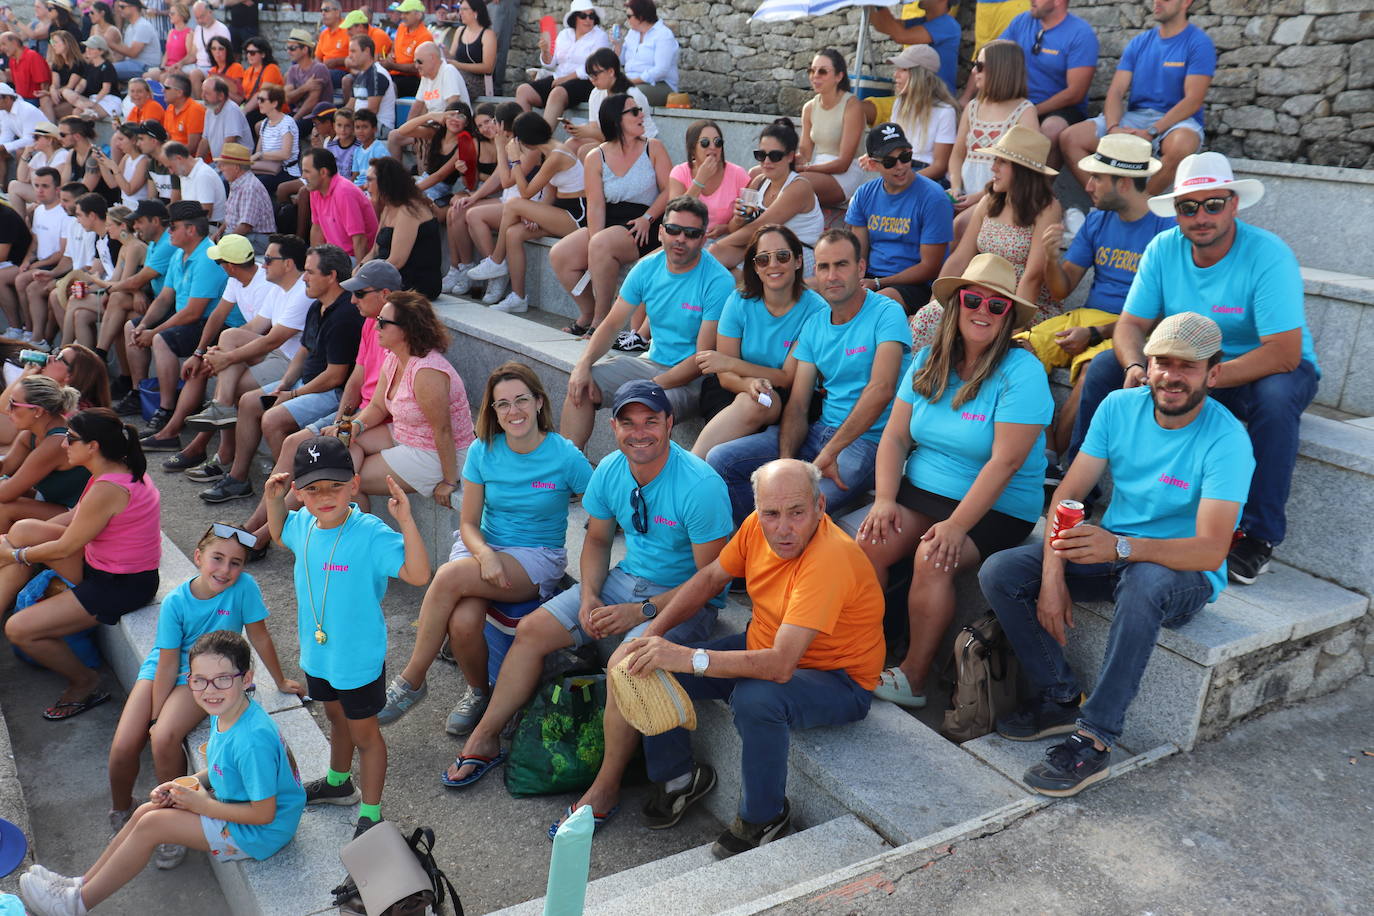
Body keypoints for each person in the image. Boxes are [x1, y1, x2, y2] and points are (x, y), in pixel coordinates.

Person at [980, 312, 1254, 797]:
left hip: (1183, 573)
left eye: (1188, 366)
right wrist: (1051, 576)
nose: (1171, 376)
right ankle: (1059, 696)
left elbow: (1211, 550)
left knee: (1145, 579)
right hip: (1116, 552)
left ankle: (1096, 737)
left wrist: (1123, 546)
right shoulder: (1118, 407)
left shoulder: (1228, 441)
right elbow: (1068, 495)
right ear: (1146, 365)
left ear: (1213, 373)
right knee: (1002, 570)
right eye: (1162, 362)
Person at [559, 459, 883, 851]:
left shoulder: (829, 560)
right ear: (758, 510)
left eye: (797, 512)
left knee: (755, 699)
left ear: (820, 506)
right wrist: (651, 635)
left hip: (837, 678)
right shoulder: (756, 529)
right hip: (760, 642)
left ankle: (763, 816)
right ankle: (678, 778)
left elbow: (781, 665)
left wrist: (690, 657)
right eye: (771, 514)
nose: (783, 527)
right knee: (650, 666)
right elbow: (711, 577)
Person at [441, 379, 731, 790]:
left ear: (669, 423)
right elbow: (596, 540)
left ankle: (605, 788)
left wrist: (641, 611)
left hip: (686, 599)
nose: (640, 432)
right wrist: (590, 595)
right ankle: (485, 738)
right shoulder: (613, 468)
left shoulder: (700, 486)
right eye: (628, 423)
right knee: (533, 631)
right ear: (613, 427)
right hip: (625, 580)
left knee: (625, 666)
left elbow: (709, 579)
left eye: (651, 421)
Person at [1068, 153, 1319, 585]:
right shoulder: (1164, 248)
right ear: (1177, 213)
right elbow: (1130, 325)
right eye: (1189, 206)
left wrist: (1205, 376)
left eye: (1213, 204)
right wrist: (1134, 365)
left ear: (1233, 205)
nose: (1201, 216)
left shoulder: (1268, 255)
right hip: (1190, 363)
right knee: (1107, 364)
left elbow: (1283, 353)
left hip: (1265, 367)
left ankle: (1258, 535)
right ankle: (1076, 501)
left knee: (1276, 400)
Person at [857, 253, 1050, 709]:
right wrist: (884, 499)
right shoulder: (927, 358)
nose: (983, 310)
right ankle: (865, 647)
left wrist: (958, 525)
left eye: (997, 305)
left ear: (1008, 317)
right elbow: (895, 437)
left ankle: (914, 676)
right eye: (973, 299)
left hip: (996, 506)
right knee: (870, 540)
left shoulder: (1022, 372)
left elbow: (1004, 463)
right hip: (923, 488)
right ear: (956, 304)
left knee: (933, 556)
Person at [19, 630, 306, 914]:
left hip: (263, 832)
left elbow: (264, 813)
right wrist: (188, 783)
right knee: (146, 811)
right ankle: (78, 884)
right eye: (199, 681)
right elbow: (222, 770)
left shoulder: (251, 741)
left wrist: (204, 804)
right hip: (240, 808)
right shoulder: (230, 711)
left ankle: (76, 904)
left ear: (246, 678)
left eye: (222, 679)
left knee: (151, 825)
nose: (210, 690)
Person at [377, 363, 592, 732]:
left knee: (446, 577)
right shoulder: (483, 450)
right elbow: (468, 524)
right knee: (462, 623)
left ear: (539, 402)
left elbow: (603, 500)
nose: (514, 411)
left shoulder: (565, 455)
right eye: (503, 404)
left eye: (522, 400)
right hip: (482, 548)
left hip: (534, 556)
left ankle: (412, 680)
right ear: (493, 411)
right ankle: (479, 692)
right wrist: (486, 554)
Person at [106, 525, 301, 867]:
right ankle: (121, 811)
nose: (225, 570)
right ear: (198, 557)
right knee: (123, 746)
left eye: (236, 563)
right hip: (167, 670)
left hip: (206, 677)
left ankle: (172, 819)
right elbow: (166, 663)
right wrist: (155, 712)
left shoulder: (244, 589)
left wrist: (281, 680)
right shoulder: (176, 602)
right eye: (217, 558)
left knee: (164, 737)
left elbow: (260, 636)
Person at [266, 435, 431, 838]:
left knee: (366, 735)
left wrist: (406, 521)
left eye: (335, 487)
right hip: (319, 655)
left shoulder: (370, 533)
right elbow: (277, 533)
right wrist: (273, 500)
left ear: (354, 485)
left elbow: (418, 575)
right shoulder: (302, 523)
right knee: (335, 718)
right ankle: (339, 783)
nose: (325, 497)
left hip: (357, 659)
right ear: (299, 494)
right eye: (313, 489)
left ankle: (371, 813)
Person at [705, 229, 912, 523]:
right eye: (824, 267)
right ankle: (754, 544)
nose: (832, 276)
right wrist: (787, 460)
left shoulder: (886, 313)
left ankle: (763, 546)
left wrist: (830, 451)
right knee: (721, 460)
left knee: (796, 507)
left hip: (866, 444)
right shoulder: (815, 324)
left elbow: (881, 389)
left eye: (841, 265)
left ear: (861, 268)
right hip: (818, 433)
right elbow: (799, 405)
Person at [0, 408, 160, 718]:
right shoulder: (114, 471)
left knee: (19, 630)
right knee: (22, 529)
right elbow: (71, 520)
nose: (63, 445)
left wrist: (15, 554)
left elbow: (65, 547)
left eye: (70, 440)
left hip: (120, 585)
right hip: (105, 566)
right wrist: (12, 541)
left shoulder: (107, 488)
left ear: (93, 446)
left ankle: (86, 682)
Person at [1029, 135, 1175, 454]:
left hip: (1134, 328)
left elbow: (1162, 315)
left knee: (1093, 373)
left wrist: (1095, 333)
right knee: (1020, 347)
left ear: (1123, 183)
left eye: (1097, 177)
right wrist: (1050, 260)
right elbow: (1061, 289)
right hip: (1086, 317)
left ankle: (1055, 457)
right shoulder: (1097, 218)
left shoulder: (1167, 229)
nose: (1089, 185)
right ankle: (1042, 444)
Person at [562, 196, 734, 448]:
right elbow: (611, 325)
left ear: (703, 239)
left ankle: (644, 484)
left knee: (645, 406)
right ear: (661, 232)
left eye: (691, 233)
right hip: (651, 363)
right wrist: (583, 365)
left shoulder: (718, 280)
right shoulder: (646, 268)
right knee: (581, 386)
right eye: (674, 230)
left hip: (693, 380)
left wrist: (651, 386)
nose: (681, 239)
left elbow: (702, 358)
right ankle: (569, 473)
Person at [197, 244, 362, 505]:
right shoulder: (316, 306)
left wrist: (294, 393)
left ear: (331, 276)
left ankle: (291, 491)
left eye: (309, 272)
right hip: (304, 383)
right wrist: (284, 383)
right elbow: (303, 353)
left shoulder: (345, 315)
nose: (304, 278)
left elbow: (335, 377)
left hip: (329, 393)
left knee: (272, 419)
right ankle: (239, 478)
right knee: (250, 402)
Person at [166, 233, 311, 476]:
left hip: (291, 362)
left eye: (269, 260)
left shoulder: (301, 292)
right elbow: (253, 328)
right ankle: (221, 416)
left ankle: (225, 457)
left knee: (231, 380)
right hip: (274, 354)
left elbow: (273, 339)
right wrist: (216, 352)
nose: (263, 264)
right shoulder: (279, 288)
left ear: (287, 264)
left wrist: (227, 358)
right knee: (229, 337)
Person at [913, 125, 1062, 349]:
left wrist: (1014, 330)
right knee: (927, 318)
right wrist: (935, 303)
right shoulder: (990, 200)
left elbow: (1033, 276)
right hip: (979, 296)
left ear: (1022, 169)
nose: (993, 168)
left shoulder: (1048, 208)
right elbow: (960, 258)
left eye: (1002, 162)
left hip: (1020, 303)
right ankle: (920, 382)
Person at [689, 225, 827, 459]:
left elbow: (787, 377)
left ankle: (689, 467)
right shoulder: (738, 301)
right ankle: (692, 469)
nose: (773, 265)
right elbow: (723, 375)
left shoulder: (816, 310)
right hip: (732, 389)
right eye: (763, 259)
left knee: (761, 401)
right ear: (754, 266)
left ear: (798, 261)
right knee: (755, 401)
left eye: (782, 256)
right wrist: (748, 384)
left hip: (791, 398)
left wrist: (730, 364)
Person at [333, 288, 472, 516]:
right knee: (346, 444)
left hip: (435, 453)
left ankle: (362, 539)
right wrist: (354, 427)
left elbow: (443, 430)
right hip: (405, 433)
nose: (376, 327)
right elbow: (377, 406)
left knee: (349, 479)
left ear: (407, 330)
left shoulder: (428, 372)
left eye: (383, 322)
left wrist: (448, 480)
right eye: (378, 320)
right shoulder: (393, 358)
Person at [1059, 0, 1215, 196]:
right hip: (1135, 117)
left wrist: (1151, 132)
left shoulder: (1199, 43)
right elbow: (1116, 92)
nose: (1157, 2)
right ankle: (1106, 205)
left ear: (1186, 3)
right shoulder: (1140, 42)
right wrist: (1113, 128)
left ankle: (1140, 209)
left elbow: (1193, 100)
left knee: (1182, 145)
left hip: (1177, 122)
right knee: (1070, 138)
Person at [547, 93, 671, 337]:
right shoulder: (596, 156)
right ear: (616, 119)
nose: (641, 115)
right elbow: (595, 206)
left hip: (645, 222)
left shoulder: (653, 148)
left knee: (602, 244)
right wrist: (594, 239)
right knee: (561, 254)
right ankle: (587, 312)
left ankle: (602, 323)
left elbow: (670, 190)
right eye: (634, 111)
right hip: (609, 221)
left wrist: (648, 218)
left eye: (639, 110)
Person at [139, 230, 271, 454]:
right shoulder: (235, 279)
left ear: (229, 265)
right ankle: (175, 434)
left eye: (220, 261)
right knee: (201, 366)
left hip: (267, 350)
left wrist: (216, 354)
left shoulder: (266, 284)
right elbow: (217, 315)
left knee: (215, 371)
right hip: (248, 343)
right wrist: (199, 352)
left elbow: (264, 333)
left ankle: (195, 445)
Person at [461, 111, 586, 313]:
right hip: (560, 212)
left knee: (513, 204)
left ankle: (496, 260)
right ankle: (518, 297)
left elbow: (526, 193)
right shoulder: (549, 151)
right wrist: (538, 214)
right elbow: (550, 191)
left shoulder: (556, 154)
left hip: (577, 216)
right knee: (513, 233)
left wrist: (515, 161)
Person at [124, 199, 228, 437]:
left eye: (173, 227)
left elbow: (194, 311)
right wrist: (146, 325)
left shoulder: (206, 258)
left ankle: (166, 408)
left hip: (212, 323)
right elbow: (164, 298)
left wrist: (155, 331)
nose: (168, 231)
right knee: (132, 326)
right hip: (188, 317)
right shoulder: (179, 253)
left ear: (190, 230)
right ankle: (140, 394)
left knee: (161, 339)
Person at [845, 122, 954, 311]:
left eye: (905, 157)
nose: (900, 166)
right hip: (872, 279)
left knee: (874, 306)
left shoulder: (934, 197)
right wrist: (856, 281)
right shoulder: (864, 194)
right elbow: (857, 254)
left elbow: (930, 267)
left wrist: (878, 283)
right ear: (872, 164)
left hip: (915, 285)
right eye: (889, 161)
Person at [693, 118, 822, 277]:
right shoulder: (759, 182)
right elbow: (736, 228)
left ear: (789, 157)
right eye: (761, 155)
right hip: (763, 246)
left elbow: (759, 226)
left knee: (724, 268)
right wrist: (739, 219)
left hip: (797, 253)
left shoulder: (798, 187)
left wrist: (718, 246)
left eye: (774, 156)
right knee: (715, 260)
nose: (766, 161)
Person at [947, 39, 1038, 214]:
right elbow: (957, 155)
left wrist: (980, 196)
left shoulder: (1025, 111)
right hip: (967, 196)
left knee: (958, 229)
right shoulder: (973, 107)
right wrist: (956, 187)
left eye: (979, 66)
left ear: (1000, 69)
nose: (973, 71)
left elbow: (1024, 170)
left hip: (1000, 200)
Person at [997, 0, 1098, 154]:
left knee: (1050, 130)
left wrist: (1030, 111)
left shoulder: (1081, 33)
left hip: (1061, 109)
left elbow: (1075, 93)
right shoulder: (1021, 22)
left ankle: (1040, 178)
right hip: (1019, 103)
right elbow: (995, 58)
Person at [0, 376, 90, 532]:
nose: (8, 410)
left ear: (37, 411)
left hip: (76, 513)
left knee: (3, 508)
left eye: (13, 404)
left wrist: (4, 481)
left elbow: (5, 494)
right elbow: (6, 467)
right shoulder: (32, 434)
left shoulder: (57, 442)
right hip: (53, 500)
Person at [514, 0, 608, 121]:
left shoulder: (600, 36)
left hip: (585, 81)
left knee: (557, 92)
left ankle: (543, 136)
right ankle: (524, 134)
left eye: (591, 16)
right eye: (583, 16)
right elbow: (551, 62)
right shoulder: (564, 34)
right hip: (559, 78)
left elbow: (594, 66)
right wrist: (545, 51)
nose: (588, 20)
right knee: (523, 90)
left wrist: (565, 79)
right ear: (575, 18)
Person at [796, 49, 867, 207]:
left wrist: (806, 169)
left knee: (796, 183)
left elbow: (843, 164)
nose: (815, 76)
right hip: (815, 170)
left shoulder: (852, 104)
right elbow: (805, 155)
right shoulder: (809, 107)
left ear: (839, 76)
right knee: (757, 174)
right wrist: (780, 158)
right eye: (812, 71)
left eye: (822, 71)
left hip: (845, 174)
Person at [882, 45, 957, 182]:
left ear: (920, 75)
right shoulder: (899, 104)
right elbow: (892, 147)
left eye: (903, 69)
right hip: (899, 168)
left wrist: (905, 179)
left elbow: (940, 166)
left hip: (927, 176)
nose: (895, 75)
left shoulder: (945, 112)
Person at [667, 117, 749, 239]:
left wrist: (726, 228)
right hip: (684, 239)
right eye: (705, 143)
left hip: (723, 242)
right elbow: (675, 215)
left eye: (717, 142)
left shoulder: (738, 174)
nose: (712, 147)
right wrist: (700, 180)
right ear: (692, 148)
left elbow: (747, 218)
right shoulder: (680, 172)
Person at [868, 0, 960, 95]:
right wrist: (869, 4)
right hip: (919, 99)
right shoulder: (924, 22)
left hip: (936, 100)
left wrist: (879, 5)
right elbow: (883, 26)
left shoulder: (948, 25)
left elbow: (901, 36)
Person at [304, 147, 377, 263]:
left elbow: (359, 239)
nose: (303, 176)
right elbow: (317, 229)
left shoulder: (344, 192)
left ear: (323, 172)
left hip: (355, 258)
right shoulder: (314, 190)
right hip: (334, 256)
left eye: (307, 172)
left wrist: (359, 275)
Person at [217, 142, 276, 253]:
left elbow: (245, 226)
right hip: (242, 236)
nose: (220, 168)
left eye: (224, 164)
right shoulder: (237, 183)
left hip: (256, 239)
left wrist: (224, 243)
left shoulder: (249, 187)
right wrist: (219, 233)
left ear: (236, 167)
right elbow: (231, 217)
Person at [618, 0, 678, 106]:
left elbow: (661, 70)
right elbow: (621, 61)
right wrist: (617, 45)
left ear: (641, 16)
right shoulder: (632, 33)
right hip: (631, 82)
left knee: (629, 95)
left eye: (629, 16)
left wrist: (633, 81)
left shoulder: (663, 35)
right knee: (603, 92)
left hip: (660, 84)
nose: (627, 20)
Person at [248, 83, 301, 201]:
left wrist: (261, 155)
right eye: (258, 99)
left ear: (274, 103)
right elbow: (258, 152)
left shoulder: (287, 123)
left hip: (286, 170)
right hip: (268, 168)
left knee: (254, 186)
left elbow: (285, 154)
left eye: (262, 100)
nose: (259, 103)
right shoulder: (265, 123)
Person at [5, 121, 67, 213]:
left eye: (36, 137)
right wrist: (26, 154)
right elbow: (23, 178)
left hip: (55, 195)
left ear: (49, 140)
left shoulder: (62, 155)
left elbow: (56, 185)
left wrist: (37, 203)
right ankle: (21, 222)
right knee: (14, 185)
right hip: (41, 192)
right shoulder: (40, 156)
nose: (34, 141)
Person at [446, 0, 496, 106]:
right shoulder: (460, 30)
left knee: (452, 87)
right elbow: (451, 56)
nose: (460, 13)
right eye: (460, 9)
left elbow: (488, 67)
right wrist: (441, 51)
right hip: (458, 76)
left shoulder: (488, 34)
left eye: (464, 9)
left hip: (477, 81)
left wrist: (459, 65)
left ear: (475, 12)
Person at [344, 32, 396, 133]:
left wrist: (347, 124)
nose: (350, 56)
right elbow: (349, 107)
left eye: (353, 51)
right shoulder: (361, 75)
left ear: (367, 51)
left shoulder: (377, 74)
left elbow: (371, 112)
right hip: (362, 124)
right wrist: (336, 118)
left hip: (379, 127)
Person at [380, 0, 432, 98]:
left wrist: (392, 65)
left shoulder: (425, 36)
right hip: (395, 74)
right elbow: (394, 47)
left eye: (406, 13)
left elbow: (417, 67)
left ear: (418, 15)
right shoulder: (401, 27)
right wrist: (391, 55)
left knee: (387, 87)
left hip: (412, 79)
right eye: (402, 13)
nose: (402, 16)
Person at [163, 140, 225, 223]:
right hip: (194, 225)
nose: (171, 172)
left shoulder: (203, 175)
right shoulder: (184, 173)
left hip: (209, 228)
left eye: (170, 167)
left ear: (179, 159)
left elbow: (205, 215)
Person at [284, 30, 331, 135]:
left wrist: (294, 120)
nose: (288, 51)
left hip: (317, 116)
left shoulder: (319, 68)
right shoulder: (292, 70)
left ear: (305, 49)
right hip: (298, 114)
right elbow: (288, 98)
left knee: (286, 131)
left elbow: (312, 102)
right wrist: (305, 87)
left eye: (292, 48)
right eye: (287, 48)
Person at [197, 74, 249, 162]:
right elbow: (205, 141)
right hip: (220, 163)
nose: (202, 96)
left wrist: (219, 168)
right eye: (203, 92)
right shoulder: (210, 110)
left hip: (235, 165)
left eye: (207, 93)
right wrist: (196, 164)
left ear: (221, 96)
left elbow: (229, 144)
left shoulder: (231, 110)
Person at [237, 37, 283, 130]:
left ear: (263, 54)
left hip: (269, 109)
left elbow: (261, 94)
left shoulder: (271, 69)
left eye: (253, 53)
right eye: (247, 52)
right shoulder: (248, 71)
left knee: (246, 120)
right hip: (254, 108)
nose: (249, 55)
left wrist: (244, 111)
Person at [1, 30, 53, 101]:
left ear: (14, 42)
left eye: (4, 44)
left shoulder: (32, 56)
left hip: (34, 99)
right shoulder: (12, 60)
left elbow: (44, 84)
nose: (1, 48)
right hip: (20, 98)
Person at [159, 72, 204, 152]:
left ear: (179, 93)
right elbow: (168, 137)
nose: (163, 90)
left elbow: (192, 147)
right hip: (173, 156)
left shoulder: (195, 110)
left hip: (187, 160)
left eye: (167, 88)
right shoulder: (170, 108)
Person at [315, 0, 349, 91]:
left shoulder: (348, 30)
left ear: (337, 13)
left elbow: (357, 58)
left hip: (344, 71)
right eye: (321, 10)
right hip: (325, 70)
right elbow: (317, 57)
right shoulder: (323, 34)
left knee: (320, 76)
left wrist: (336, 62)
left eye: (326, 10)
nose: (323, 13)